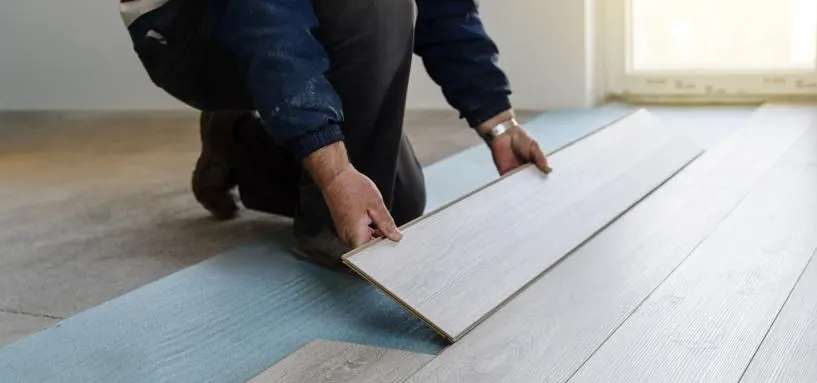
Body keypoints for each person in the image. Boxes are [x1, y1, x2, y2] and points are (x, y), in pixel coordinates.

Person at [119, 0, 551, 270]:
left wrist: (499, 123)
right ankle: (322, 223)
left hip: (280, 19)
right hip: (187, 27)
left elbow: (447, 11)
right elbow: (270, 25)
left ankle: (238, 140)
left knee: (398, 203)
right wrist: (335, 171)